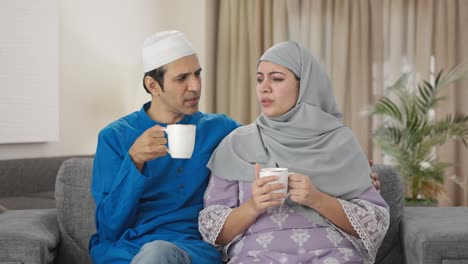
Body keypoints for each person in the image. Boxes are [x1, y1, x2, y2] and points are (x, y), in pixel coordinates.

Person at [199, 41, 390, 264]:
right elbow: (214, 233)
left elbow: (374, 224)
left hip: (335, 255)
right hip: (258, 257)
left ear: (305, 85)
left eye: (277, 78)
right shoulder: (236, 145)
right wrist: (253, 206)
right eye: (260, 79)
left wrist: (318, 199)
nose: (264, 87)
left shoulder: (340, 142)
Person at [89, 30, 240, 264]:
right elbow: (109, 228)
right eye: (182, 78)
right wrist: (135, 162)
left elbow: (268, 142)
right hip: (128, 248)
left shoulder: (219, 128)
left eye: (197, 74)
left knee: (159, 253)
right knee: (155, 254)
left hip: (193, 249)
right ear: (153, 85)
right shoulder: (115, 137)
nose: (195, 86)